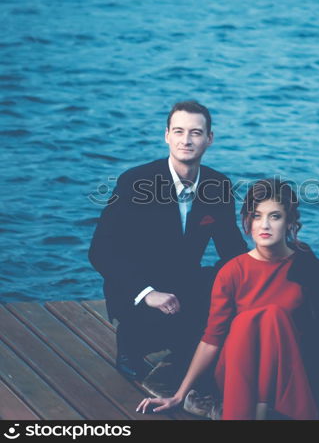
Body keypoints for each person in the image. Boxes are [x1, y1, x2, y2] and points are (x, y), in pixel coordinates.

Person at [136, 178, 319, 420]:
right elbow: (212, 339)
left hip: (289, 371)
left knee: (272, 316)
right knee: (248, 322)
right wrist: (179, 395)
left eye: (275, 216)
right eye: (257, 216)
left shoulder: (313, 271)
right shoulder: (233, 271)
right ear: (247, 222)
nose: (265, 225)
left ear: (289, 223)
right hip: (237, 370)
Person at [88, 100, 247, 382]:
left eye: (196, 133)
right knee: (150, 335)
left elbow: (232, 251)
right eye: (179, 131)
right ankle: (130, 346)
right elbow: (101, 251)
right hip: (138, 289)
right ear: (167, 136)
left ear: (209, 139)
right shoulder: (136, 181)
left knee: (230, 282)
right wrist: (146, 292)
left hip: (184, 284)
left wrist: (264, 275)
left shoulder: (218, 185)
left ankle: (186, 343)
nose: (186, 140)